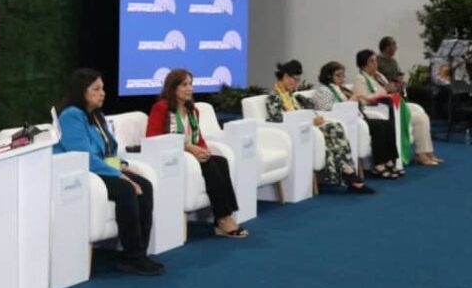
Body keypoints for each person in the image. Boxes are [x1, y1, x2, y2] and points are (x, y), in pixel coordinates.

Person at [54, 68, 163, 275]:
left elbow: (108, 150)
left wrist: (122, 165)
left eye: (102, 88)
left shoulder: (96, 116)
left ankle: (140, 252)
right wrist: (120, 175)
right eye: (96, 89)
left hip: (99, 168)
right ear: (81, 91)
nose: (102, 93)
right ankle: (131, 257)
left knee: (145, 185)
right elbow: (84, 156)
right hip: (81, 173)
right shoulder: (71, 116)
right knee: (126, 189)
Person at [146, 69, 248, 237]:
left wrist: (203, 150)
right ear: (173, 88)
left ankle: (225, 215)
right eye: (184, 85)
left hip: (190, 154)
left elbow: (198, 138)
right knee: (210, 165)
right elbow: (153, 138)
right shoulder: (161, 108)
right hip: (172, 157)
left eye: (191, 85)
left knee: (220, 161)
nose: (189, 89)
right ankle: (223, 219)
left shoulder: (193, 110)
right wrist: (187, 148)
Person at [266, 60, 373, 193]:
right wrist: (310, 122)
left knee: (335, 126)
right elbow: (278, 120)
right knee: (331, 129)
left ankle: (349, 172)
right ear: (286, 76)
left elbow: (300, 113)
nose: (296, 83)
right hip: (292, 133)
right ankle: (349, 175)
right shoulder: (274, 97)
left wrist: (314, 119)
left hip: (304, 128)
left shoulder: (291, 95)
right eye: (295, 80)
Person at [312, 61, 402, 179]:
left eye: (342, 75)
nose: (342, 78)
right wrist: (351, 101)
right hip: (345, 121)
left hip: (356, 117)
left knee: (386, 124)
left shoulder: (341, 88)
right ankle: (379, 164)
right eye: (338, 75)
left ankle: (389, 160)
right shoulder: (323, 91)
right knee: (378, 126)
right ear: (329, 76)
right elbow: (327, 111)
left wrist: (358, 98)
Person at [352, 49, 443, 166]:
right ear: (364, 64)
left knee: (422, 116)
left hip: (393, 107)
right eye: (372, 61)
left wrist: (394, 88)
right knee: (419, 119)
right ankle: (421, 155)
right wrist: (385, 90)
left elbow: (387, 90)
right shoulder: (360, 79)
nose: (375, 63)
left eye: (375, 60)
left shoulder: (379, 76)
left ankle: (427, 152)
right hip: (379, 111)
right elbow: (363, 99)